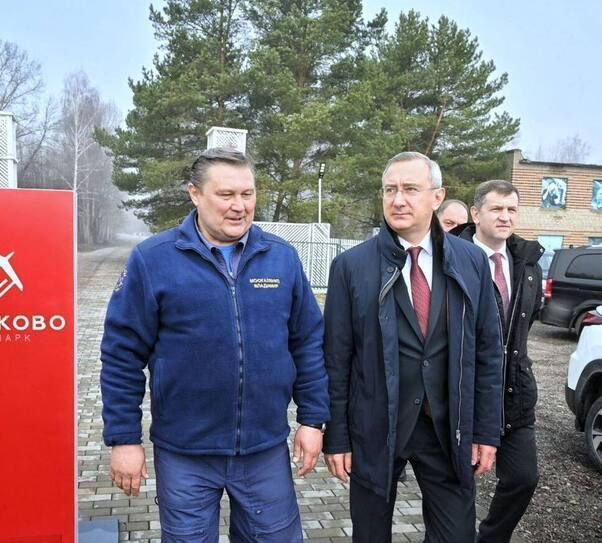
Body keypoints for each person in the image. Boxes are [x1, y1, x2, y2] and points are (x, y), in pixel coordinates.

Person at [100, 147, 330, 543]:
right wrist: (124, 439)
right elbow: (121, 355)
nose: (239, 206)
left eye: (247, 194)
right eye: (226, 195)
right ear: (194, 193)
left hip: (264, 450)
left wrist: (312, 419)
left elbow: (307, 343)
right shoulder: (153, 260)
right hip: (184, 454)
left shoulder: (281, 258)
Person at [323, 151, 503, 542]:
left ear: (437, 197)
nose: (398, 199)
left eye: (410, 189)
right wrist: (337, 437)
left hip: (447, 428)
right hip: (375, 427)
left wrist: (486, 432)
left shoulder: (471, 261)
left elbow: (488, 352)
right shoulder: (351, 267)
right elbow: (336, 360)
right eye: (389, 190)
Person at [453, 180, 543, 543]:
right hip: (464, 395)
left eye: (511, 210)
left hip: (514, 395)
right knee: (458, 487)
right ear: (476, 214)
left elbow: (525, 324)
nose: (505, 216)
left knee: (523, 478)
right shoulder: (451, 259)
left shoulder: (528, 264)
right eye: (496, 209)